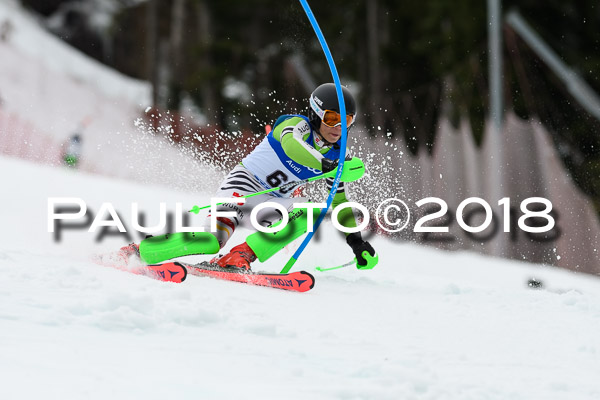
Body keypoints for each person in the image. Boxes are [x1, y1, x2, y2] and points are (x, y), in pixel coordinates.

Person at [122, 83, 377, 270]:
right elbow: (292, 148)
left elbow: (339, 202)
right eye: (332, 118)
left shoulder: (335, 155)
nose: (338, 126)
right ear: (315, 112)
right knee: (211, 241)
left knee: (314, 212)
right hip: (244, 188)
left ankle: (240, 256)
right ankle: (140, 251)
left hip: (274, 203)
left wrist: (356, 243)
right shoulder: (294, 125)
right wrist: (328, 165)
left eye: (346, 119)